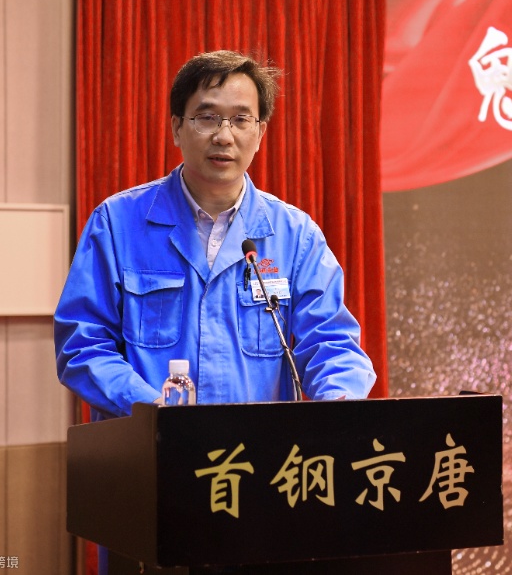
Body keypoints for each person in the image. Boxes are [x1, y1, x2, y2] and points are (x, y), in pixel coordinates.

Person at [54, 50, 376, 422]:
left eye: (241, 119)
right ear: (177, 127)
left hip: (257, 450)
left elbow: (331, 343)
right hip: (149, 446)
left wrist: (339, 404)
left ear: (260, 133)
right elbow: (83, 345)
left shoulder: (295, 236)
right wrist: (155, 413)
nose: (224, 136)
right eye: (207, 118)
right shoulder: (117, 223)